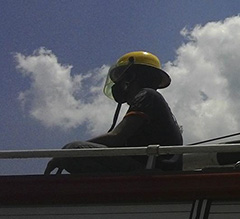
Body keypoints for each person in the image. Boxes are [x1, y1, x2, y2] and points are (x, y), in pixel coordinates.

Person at [44, 51, 183, 174]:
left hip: (149, 173)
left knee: (74, 149)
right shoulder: (153, 100)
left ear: (130, 77)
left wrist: (63, 154)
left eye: (120, 78)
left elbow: (116, 137)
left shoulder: (147, 95)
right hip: (150, 169)